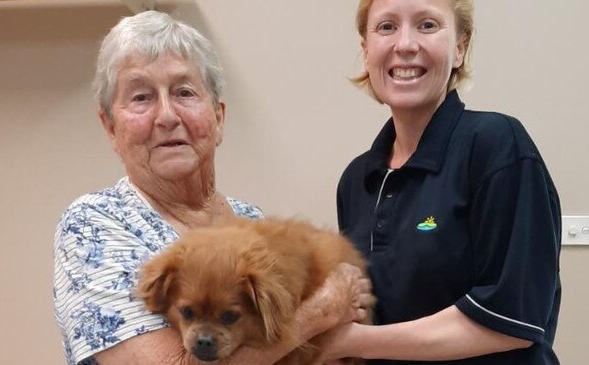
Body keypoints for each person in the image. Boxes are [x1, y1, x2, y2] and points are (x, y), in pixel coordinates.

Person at [52, 10, 372, 365]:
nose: (167, 116)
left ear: (218, 118)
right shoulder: (95, 227)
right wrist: (323, 309)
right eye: (141, 97)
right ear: (110, 126)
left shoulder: (251, 220)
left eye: (184, 93)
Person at [323, 0, 562, 364]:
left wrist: (349, 342)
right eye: (386, 27)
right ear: (367, 50)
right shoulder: (357, 181)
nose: (404, 44)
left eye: (427, 25)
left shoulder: (497, 145)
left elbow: (510, 319)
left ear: (460, 49)